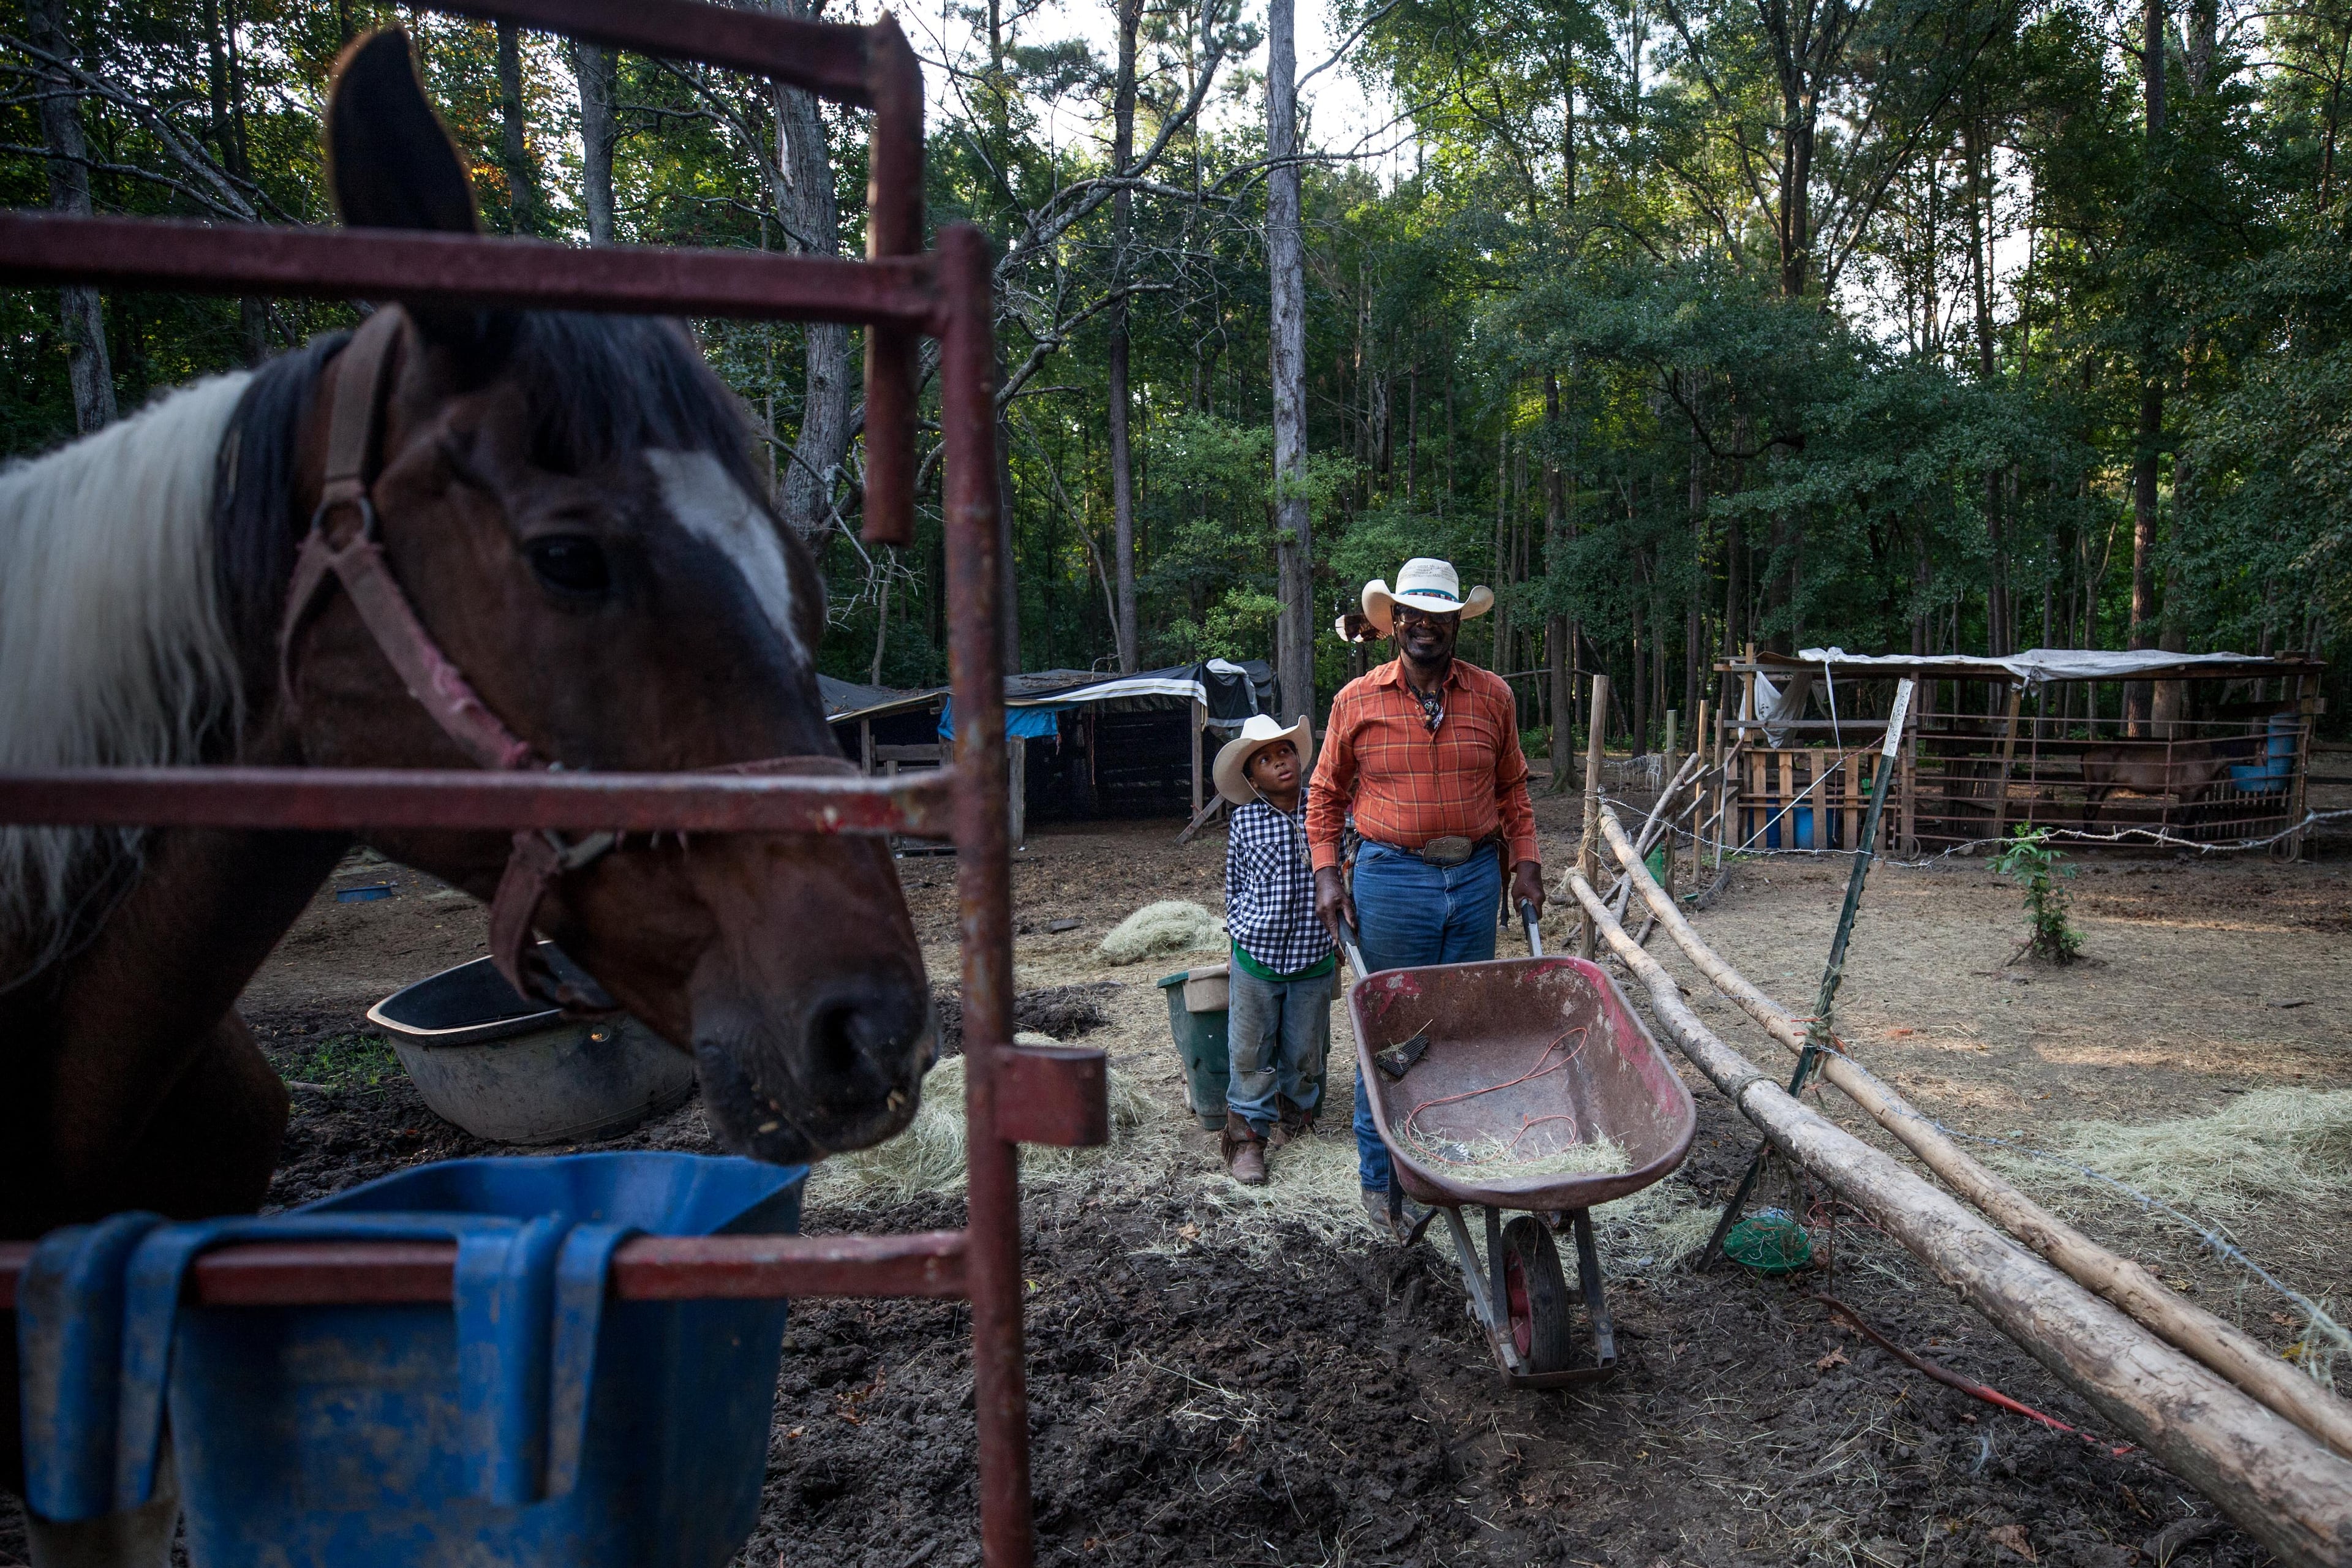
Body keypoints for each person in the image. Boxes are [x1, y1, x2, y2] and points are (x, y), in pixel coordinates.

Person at [1305, 557, 1545, 1235]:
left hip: (1473, 878)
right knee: (1389, 1032)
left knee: (1457, 1031)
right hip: (1392, 877)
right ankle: (1383, 1188)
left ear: (1454, 625)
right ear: (1394, 624)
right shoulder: (1357, 700)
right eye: (1412, 616)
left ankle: (1442, 1169)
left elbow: (1514, 790)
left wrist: (1525, 864)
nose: (1425, 629)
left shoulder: (1493, 696)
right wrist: (1328, 875)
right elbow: (1323, 795)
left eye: (1438, 618)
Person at [1211, 713, 1333, 1185]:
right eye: (1265, 759)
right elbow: (1235, 885)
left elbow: (1343, 871)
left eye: (1285, 752)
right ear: (1251, 777)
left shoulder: (1324, 811)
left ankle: (1298, 1119)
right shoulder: (1245, 822)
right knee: (1250, 1051)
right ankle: (1247, 1139)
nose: (1280, 763)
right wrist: (1238, 935)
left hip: (1313, 956)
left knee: (1305, 1049)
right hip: (1256, 956)